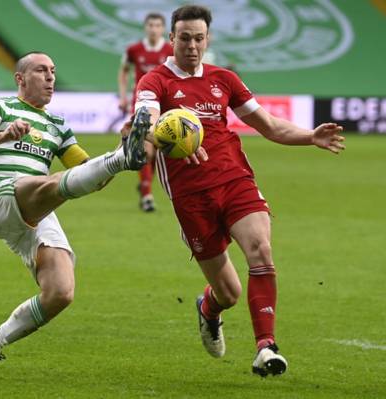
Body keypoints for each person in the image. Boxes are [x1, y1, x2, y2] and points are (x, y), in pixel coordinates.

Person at [134, 5, 345, 376]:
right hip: (192, 197)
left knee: (261, 250)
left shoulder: (224, 79)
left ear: (208, 39)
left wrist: (309, 136)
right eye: (185, 38)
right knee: (227, 293)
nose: (193, 46)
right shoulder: (155, 82)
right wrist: (162, 136)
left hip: (235, 181)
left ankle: (266, 347)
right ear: (171, 39)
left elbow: (270, 127)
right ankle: (208, 309)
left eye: (199, 38)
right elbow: (148, 125)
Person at [0, 51, 149, 381]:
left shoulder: (58, 126)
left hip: (37, 208)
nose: (50, 77)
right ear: (20, 78)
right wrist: (4, 134)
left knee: (61, 292)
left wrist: (122, 144)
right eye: (41, 71)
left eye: (53, 71)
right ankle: (121, 158)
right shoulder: (1, 108)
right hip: (0, 198)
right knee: (47, 183)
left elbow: (93, 178)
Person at [118, 13, 173, 212]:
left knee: (159, 151)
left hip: (166, 106)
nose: (153, 28)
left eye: (157, 25)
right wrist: (123, 96)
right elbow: (123, 71)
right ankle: (148, 195)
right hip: (142, 104)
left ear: (163, 29)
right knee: (147, 150)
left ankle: (145, 184)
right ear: (145, 27)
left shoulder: (170, 50)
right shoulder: (134, 50)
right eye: (150, 25)